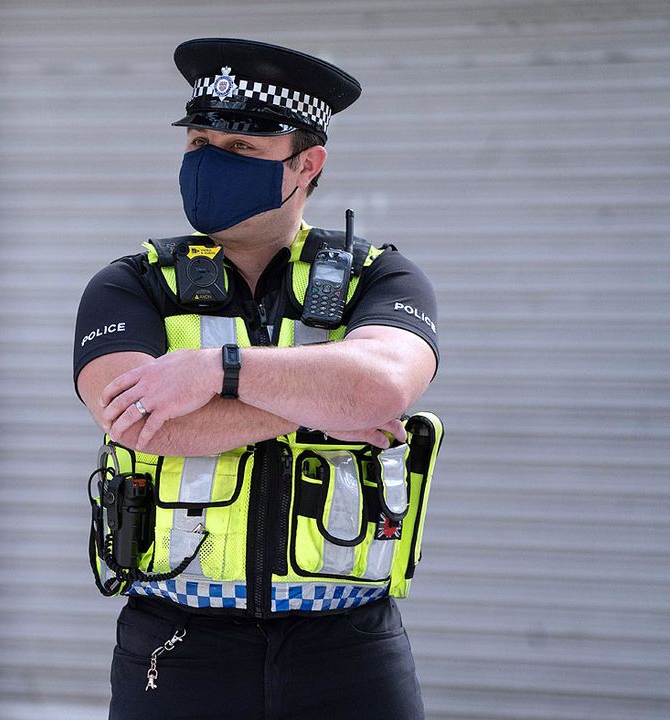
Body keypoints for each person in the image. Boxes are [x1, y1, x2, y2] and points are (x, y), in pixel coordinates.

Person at [74, 39, 444, 719]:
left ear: (308, 164)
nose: (210, 161)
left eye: (241, 149)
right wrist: (321, 407)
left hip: (350, 645)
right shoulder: (131, 285)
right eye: (198, 142)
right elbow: (140, 424)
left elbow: (382, 388)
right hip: (179, 643)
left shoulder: (379, 278)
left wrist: (215, 371)